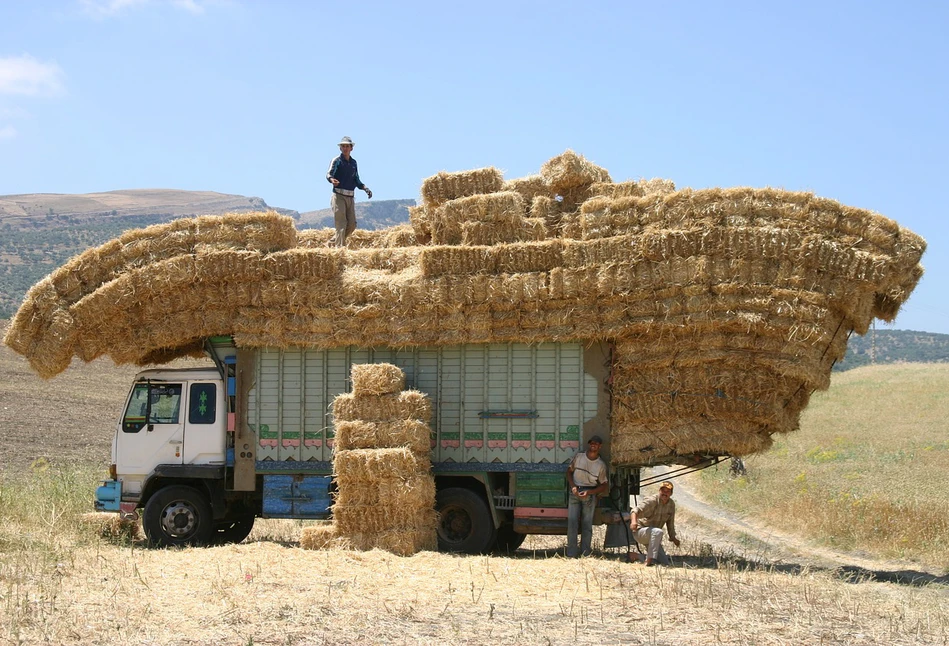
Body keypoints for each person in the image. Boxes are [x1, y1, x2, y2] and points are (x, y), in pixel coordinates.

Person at [565, 435, 609, 557]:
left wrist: (590, 492)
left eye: (596, 444)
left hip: (589, 495)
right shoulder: (579, 457)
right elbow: (569, 471)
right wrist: (573, 486)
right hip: (575, 491)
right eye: (591, 443)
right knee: (572, 523)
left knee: (586, 524)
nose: (593, 445)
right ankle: (571, 553)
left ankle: (585, 553)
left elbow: (604, 485)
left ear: (600, 446)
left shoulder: (600, 465)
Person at [325, 136, 372, 247]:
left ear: (351, 148)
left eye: (347, 146)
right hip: (339, 195)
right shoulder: (336, 160)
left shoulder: (354, 163)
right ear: (340, 148)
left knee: (351, 225)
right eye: (343, 146)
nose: (345, 148)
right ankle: (340, 250)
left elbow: (356, 179)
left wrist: (365, 188)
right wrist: (332, 180)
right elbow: (328, 174)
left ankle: (332, 243)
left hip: (350, 196)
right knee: (341, 224)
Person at [628, 481, 680, 566]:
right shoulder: (652, 500)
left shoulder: (671, 505)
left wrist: (673, 538)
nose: (665, 493)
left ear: (671, 493)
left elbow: (670, 523)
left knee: (664, 562)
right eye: (663, 490)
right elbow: (634, 511)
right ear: (659, 491)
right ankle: (647, 562)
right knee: (658, 532)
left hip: (654, 535)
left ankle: (635, 556)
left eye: (667, 491)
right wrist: (633, 522)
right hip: (641, 531)